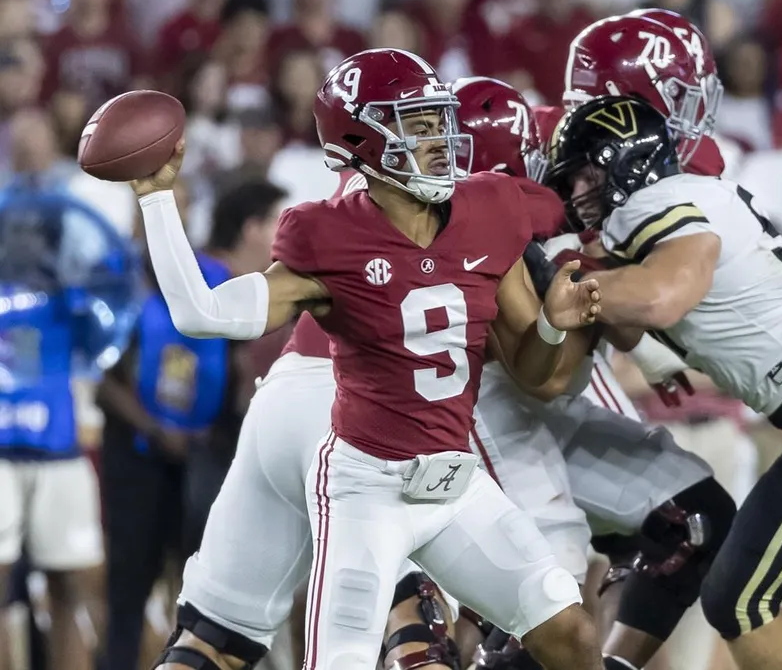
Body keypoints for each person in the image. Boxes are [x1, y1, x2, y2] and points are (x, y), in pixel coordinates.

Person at [138, 48, 604, 670]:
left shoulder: (489, 208)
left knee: (570, 632)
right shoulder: (329, 234)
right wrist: (157, 200)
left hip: (455, 484)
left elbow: (531, 370)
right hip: (365, 491)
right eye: (417, 124)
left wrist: (551, 323)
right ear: (360, 140)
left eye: (439, 119)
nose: (439, 138)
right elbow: (203, 314)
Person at [546, 93, 782, 670]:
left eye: (584, 174)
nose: (575, 193)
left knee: (737, 596)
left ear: (623, 160)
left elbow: (663, 295)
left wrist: (581, 294)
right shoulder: (683, 192)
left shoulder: (653, 202)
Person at [451, 75, 736, 670]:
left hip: (541, 407)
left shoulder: (557, 149)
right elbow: (544, 372)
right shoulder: (472, 221)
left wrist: (618, 311)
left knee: (695, 517)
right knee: (554, 591)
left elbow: (609, 325)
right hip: (477, 412)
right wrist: (593, 287)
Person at [97, 180, 280, 670]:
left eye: (179, 211)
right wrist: (156, 429)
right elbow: (103, 378)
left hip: (203, 454)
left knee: (202, 589)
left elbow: (242, 366)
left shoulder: (213, 280)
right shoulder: (116, 283)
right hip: (136, 455)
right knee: (128, 588)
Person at [0, 175, 139, 670]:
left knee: (72, 588)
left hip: (60, 451)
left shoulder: (71, 297)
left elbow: (106, 334)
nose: (25, 240)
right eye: (17, 231)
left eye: (37, 232)